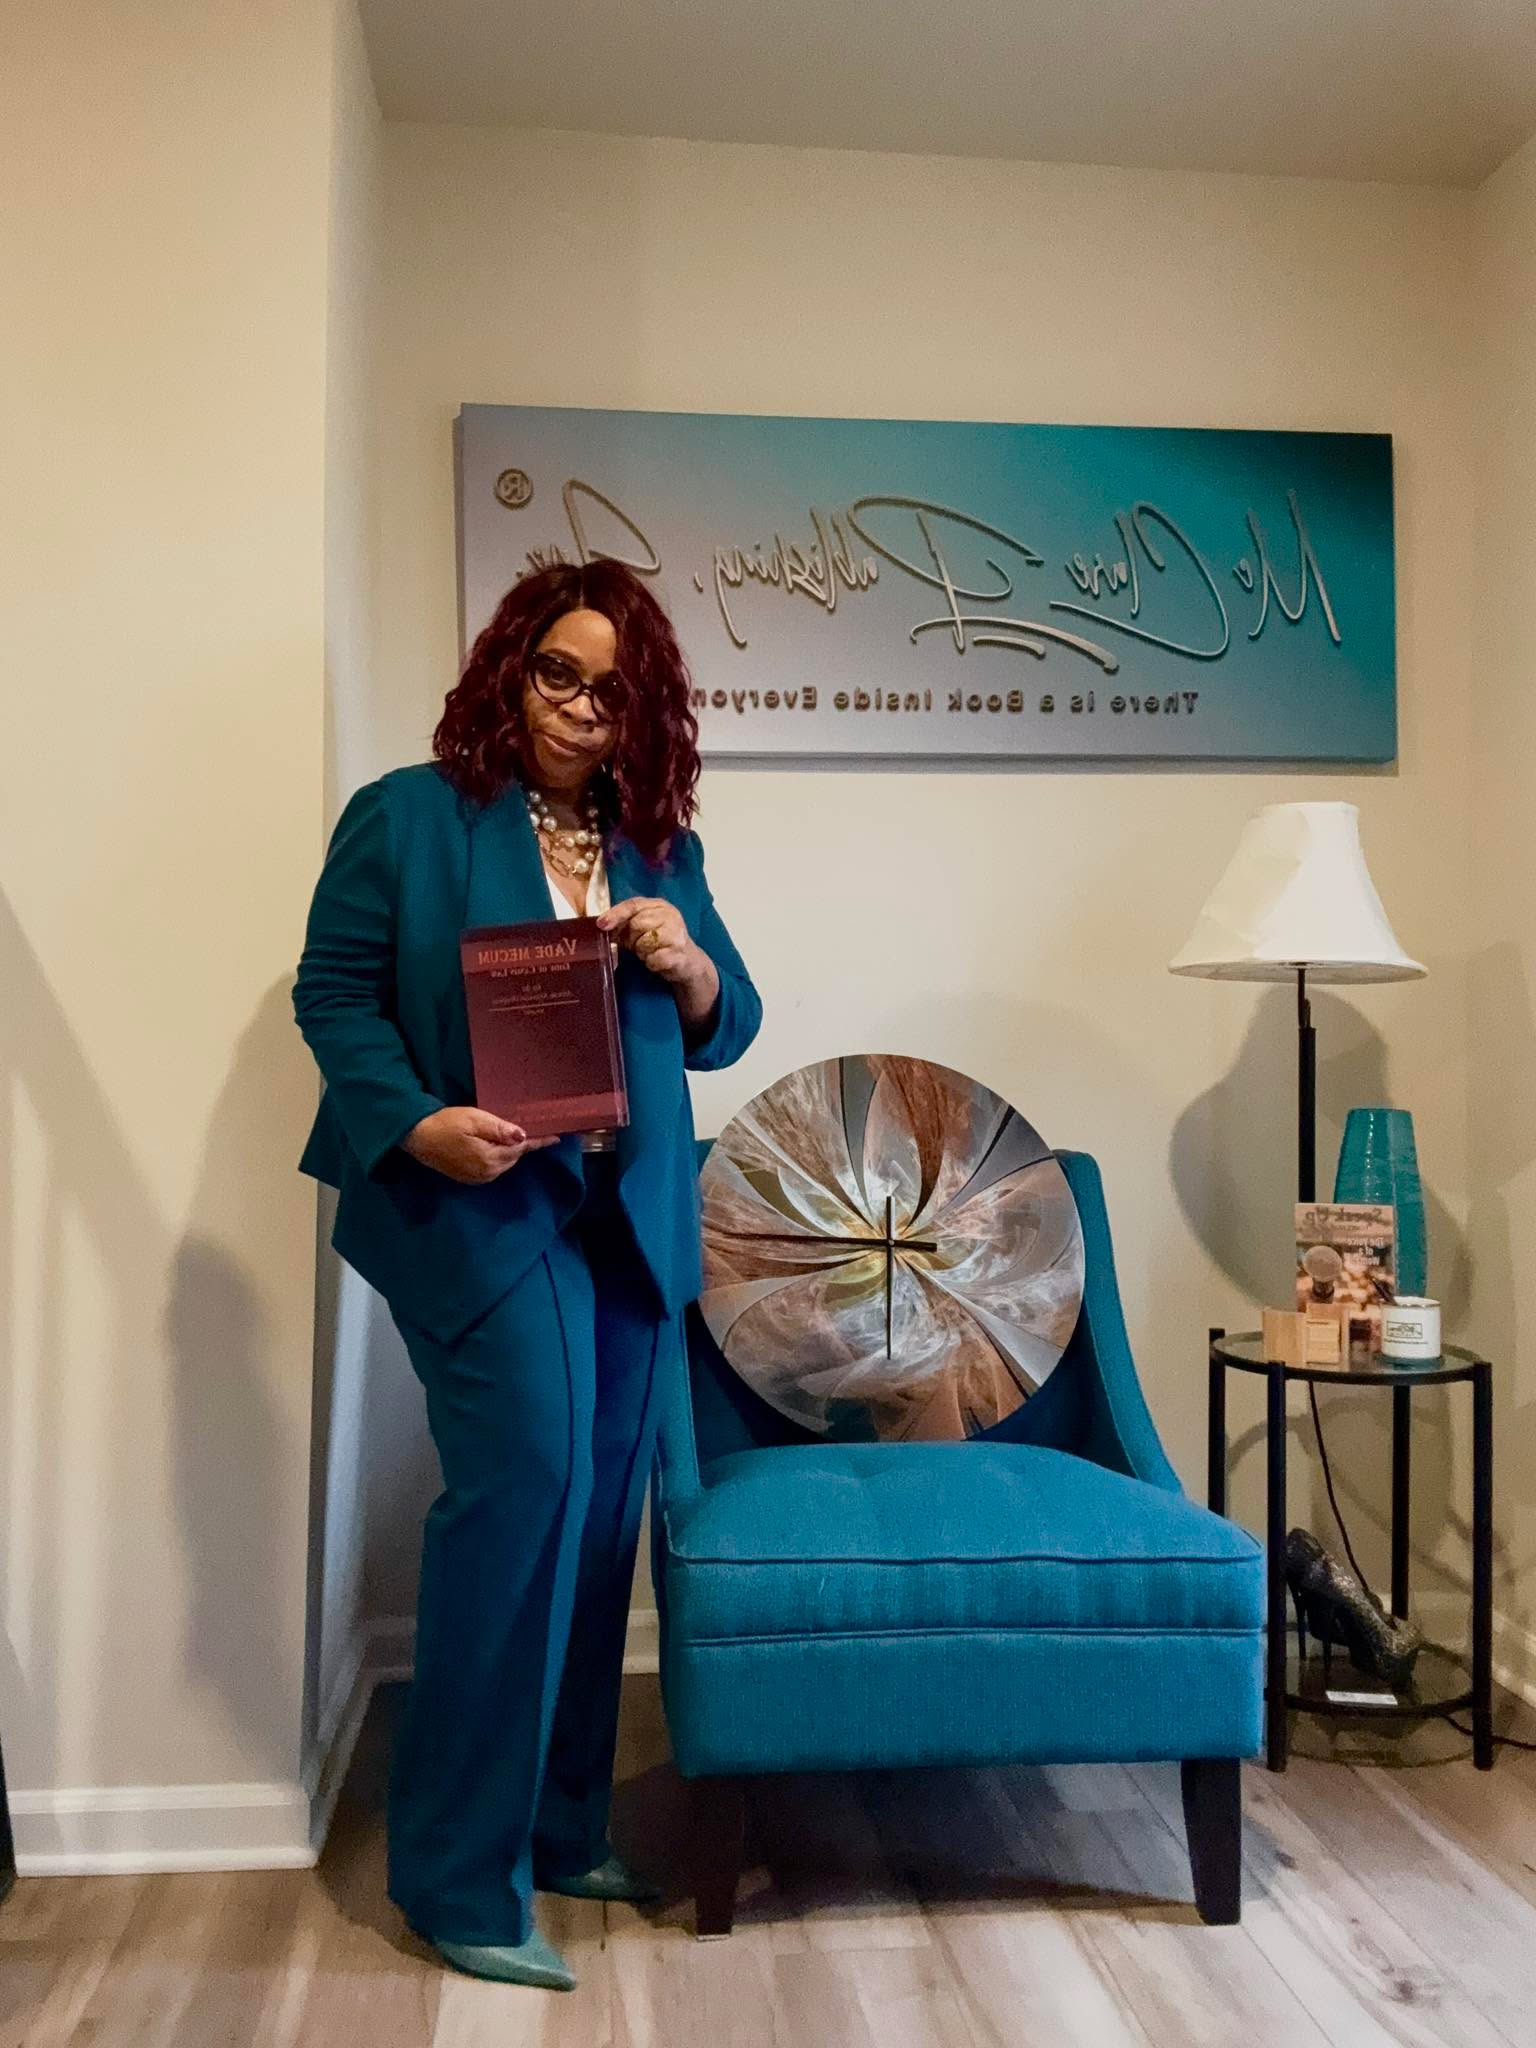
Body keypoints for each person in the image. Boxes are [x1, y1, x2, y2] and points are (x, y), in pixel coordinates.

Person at [291, 559, 762, 1988]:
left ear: (645, 714)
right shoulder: (412, 817)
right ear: (510, 665)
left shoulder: (658, 842)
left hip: (627, 1218)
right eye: (557, 672)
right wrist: (414, 1122)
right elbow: (332, 991)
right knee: (528, 1495)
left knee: (598, 1520)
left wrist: (682, 964)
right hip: (485, 1206)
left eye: (610, 690)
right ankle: (455, 1873)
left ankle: (558, 1827)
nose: (577, 707)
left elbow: (730, 1019)